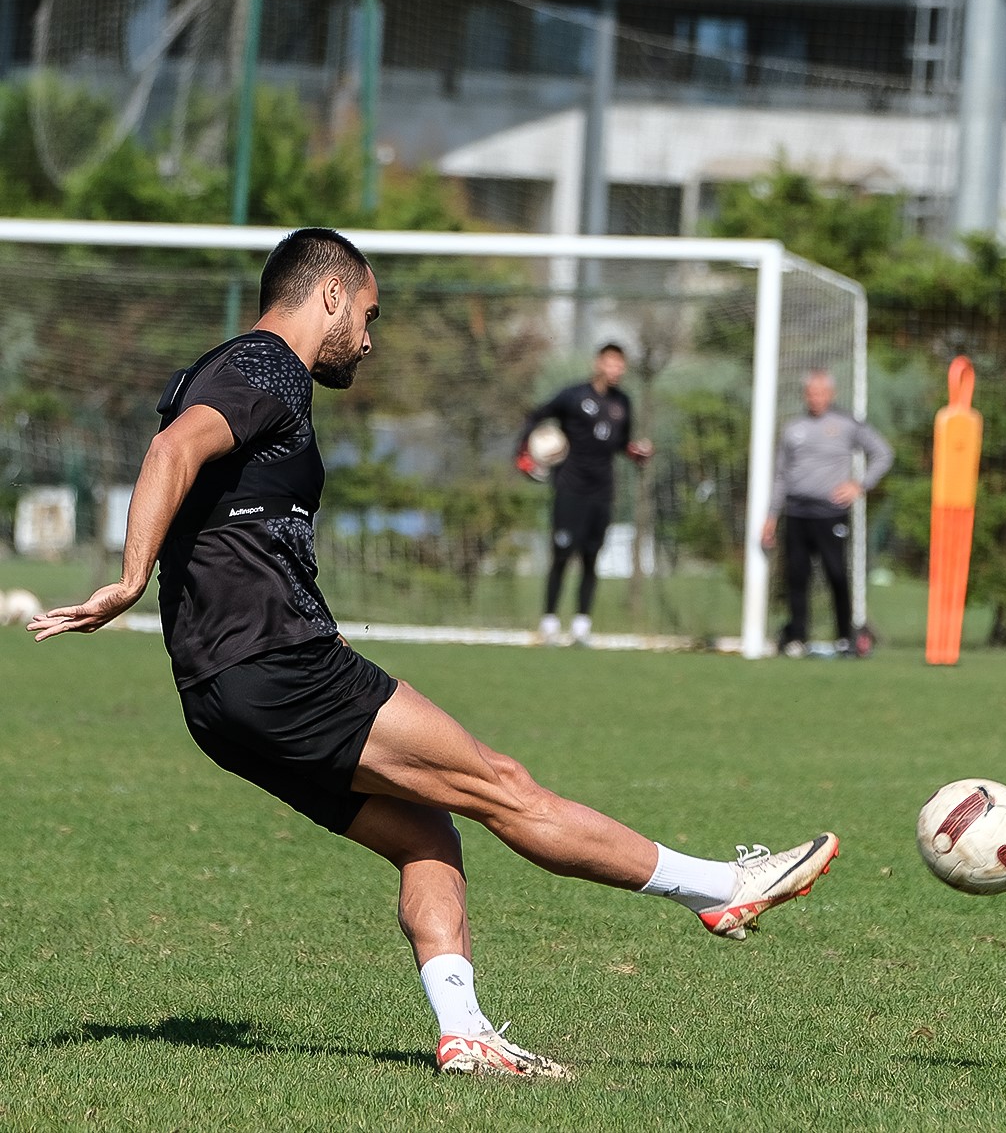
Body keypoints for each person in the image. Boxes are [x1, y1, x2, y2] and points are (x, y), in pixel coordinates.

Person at [29, 228, 839, 1081]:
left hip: (218, 698)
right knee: (504, 786)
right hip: (281, 666)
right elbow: (171, 451)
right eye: (368, 314)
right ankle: (719, 889)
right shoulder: (266, 365)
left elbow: (217, 501)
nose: (369, 340)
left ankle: (465, 1033)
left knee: (427, 835)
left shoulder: (232, 370)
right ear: (331, 294)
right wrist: (127, 581)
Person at [517, 343, 654, 647]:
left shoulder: (623, 403)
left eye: (620, 364)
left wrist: (636, 452)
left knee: (592, 557)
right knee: (562, 554)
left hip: (602, 490)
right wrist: (523, 452)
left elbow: (621, 443)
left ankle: (581, 625)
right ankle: (550, 622)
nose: (615, 369)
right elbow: (535, 416)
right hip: (570, 487)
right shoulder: (573, 396)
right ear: (598, 363)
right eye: (610, 363)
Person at [762, 369, 894, 659]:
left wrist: (860, 485)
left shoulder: (846, 424)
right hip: (796, 512)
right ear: (804, 395)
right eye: (811, 393)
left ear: (831, 394)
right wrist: (772, 515)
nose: (816, 398)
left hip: (830, 513)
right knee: (797, 576)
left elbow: (883, 453)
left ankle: (845, 638)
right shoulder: (793, 428)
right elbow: (780, 475)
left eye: (821, 392)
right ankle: (797, 637)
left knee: (836, 573)